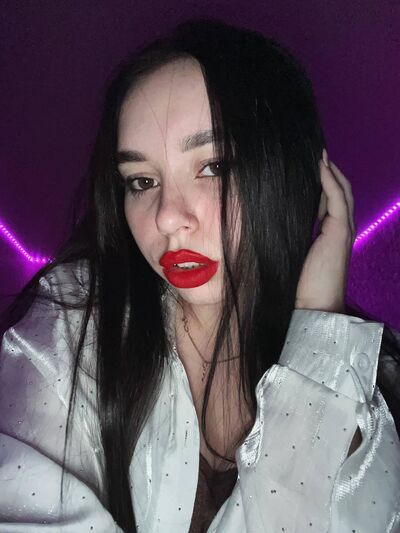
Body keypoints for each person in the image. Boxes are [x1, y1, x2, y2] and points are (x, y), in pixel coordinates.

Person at [0, 18, 399, 533]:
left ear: (288, 171)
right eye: (141, 181)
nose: (168, 217)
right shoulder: (75, 322)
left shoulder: (376, 384)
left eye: (214, 167)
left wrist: (319, 330)